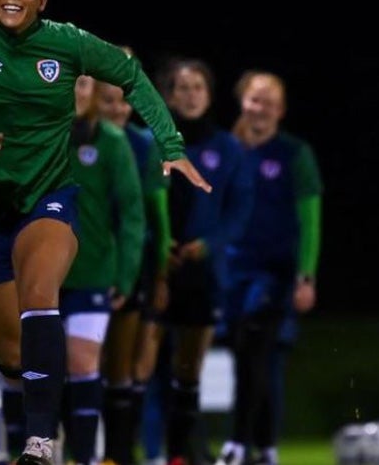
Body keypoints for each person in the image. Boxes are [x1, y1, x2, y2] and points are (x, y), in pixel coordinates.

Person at [0, 0, 210, 465]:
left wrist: (171, 146)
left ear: (42, 0)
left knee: (41, 291)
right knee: (11, 357)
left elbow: (131, 76)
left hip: (46, 198)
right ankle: (53, 411)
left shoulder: (67, 44)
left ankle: (40, 443)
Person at [142, 57, 254, 465]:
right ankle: (140, 452)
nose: (190, 95)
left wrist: (208, 245)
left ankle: (178, 455)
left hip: (204, 273)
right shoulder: (151, 142)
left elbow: (240, 211)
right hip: (155, 269)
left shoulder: (227, 148)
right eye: (181, 88)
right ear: (167, 95)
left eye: (197, 87)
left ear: (209, 95)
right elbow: (137, 207)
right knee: (142, 370)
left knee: (188, 373)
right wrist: (160, 243)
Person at [214, 70, 322, 465]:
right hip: (231, 273)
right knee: (252, 361)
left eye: (270, 101)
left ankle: (246, 444)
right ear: (243, 102)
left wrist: (305, 276)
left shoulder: (295, 154)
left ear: (281, 110)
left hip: (274, 276)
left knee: (259, 354)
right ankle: (260, 447)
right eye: (255, 99)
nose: (261, 108)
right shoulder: (226, 151)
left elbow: (310, 219)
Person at [58, 73, 146, 464]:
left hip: (92, 273)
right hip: (43, 276)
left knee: (82, 365)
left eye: (83, 85)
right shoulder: (41, 134)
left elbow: (131, 213)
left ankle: (86, 457)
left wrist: (125, 275)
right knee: (38, 369)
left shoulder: (112, 143)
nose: (76, 93)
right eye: (70, 83)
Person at [94, 48, 175, 465]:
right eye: (108, 99)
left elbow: (156, 217)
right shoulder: (74, 138)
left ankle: (120, 455)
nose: (118, 109)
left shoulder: (146, 145)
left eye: (124, 99)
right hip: (85, 266)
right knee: (86, 365)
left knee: (124, 369)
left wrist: (160, 275)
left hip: (133, 266)